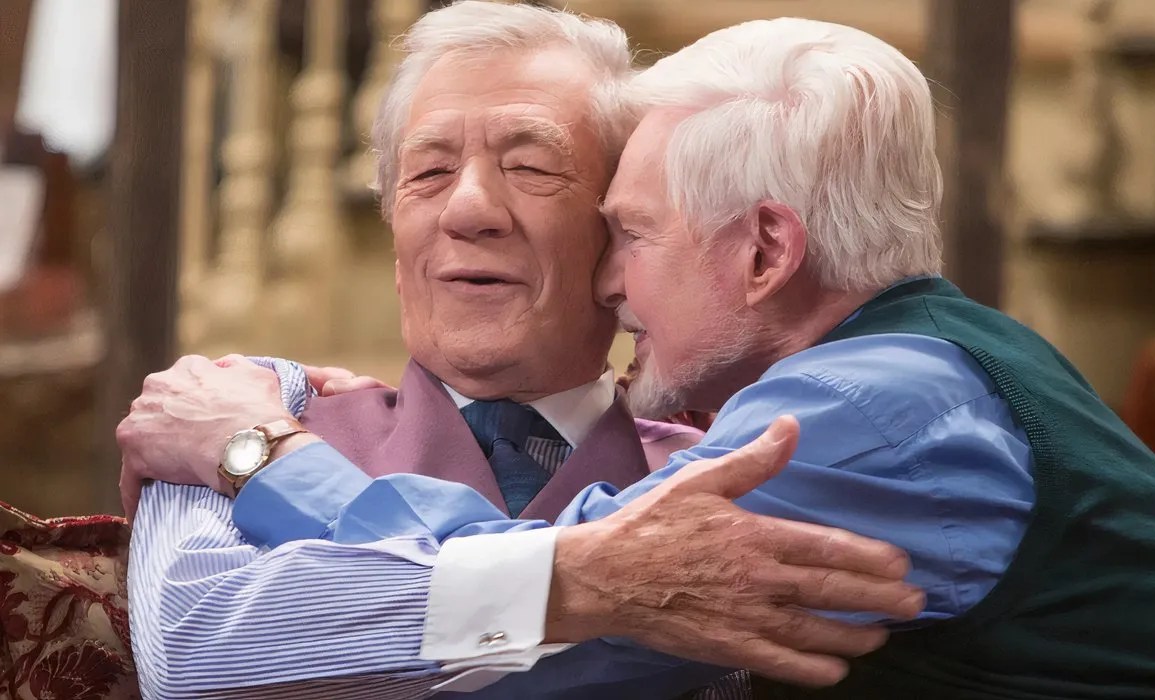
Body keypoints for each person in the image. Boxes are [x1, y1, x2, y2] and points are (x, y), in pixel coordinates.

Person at [139, 17, 1155, 699]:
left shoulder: (850, 418)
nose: (613, 279)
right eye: (427, 171)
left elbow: (539, 642)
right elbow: (195, 635)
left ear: (763, 250)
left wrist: (261, 457)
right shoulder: (261, 395)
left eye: (630, 230)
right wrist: (266, 427)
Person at [116, 4, 920, 698]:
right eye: (427, 173)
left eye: (531, 167)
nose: (469, 209)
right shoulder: (229, 418)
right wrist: (594, 582)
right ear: (399, 243)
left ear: (621, 231)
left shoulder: (741, 463)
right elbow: (190, 652)